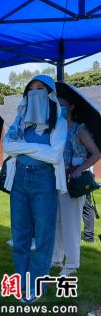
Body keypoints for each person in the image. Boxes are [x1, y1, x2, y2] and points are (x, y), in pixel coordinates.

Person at [2, 75, 67, 302]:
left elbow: (55, 155)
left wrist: (24, 147)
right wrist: (33, 148)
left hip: (44, 182)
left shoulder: (59, 121)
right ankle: (21, 283)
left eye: (41, 88)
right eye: (31, 89)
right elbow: (8, 146)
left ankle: (36, 284)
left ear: (50, 93)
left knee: (43, 236)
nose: (35, 92)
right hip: (20, 180)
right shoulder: (20, 119)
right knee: (19, 236)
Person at [51, 93, 101, 275]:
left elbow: (96, 153)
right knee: (55, 221)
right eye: (56, 105)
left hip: (73, 182)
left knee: (70, 223)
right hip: (54, 180)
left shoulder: (79, 130)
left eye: (62, 105)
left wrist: (81, 169)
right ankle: (56, 258)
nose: (59, 108)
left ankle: (71, 264)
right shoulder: (54, 129)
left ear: (71, 107)